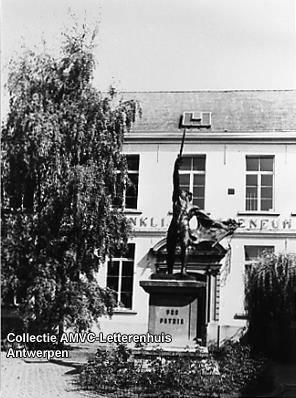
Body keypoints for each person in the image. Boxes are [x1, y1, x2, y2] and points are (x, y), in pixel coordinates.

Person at [166, 155, 239, 274]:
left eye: (184, 192)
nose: (182, 191)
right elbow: (175, 182)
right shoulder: (176, 200)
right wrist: (176, 167)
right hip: (173, 226)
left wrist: (226, 225)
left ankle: (183, 270)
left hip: (184, 227)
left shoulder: (193, 208)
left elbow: (210, 221)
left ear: (189, 197)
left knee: (185, 246)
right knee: (170, 249)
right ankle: (169, 272)